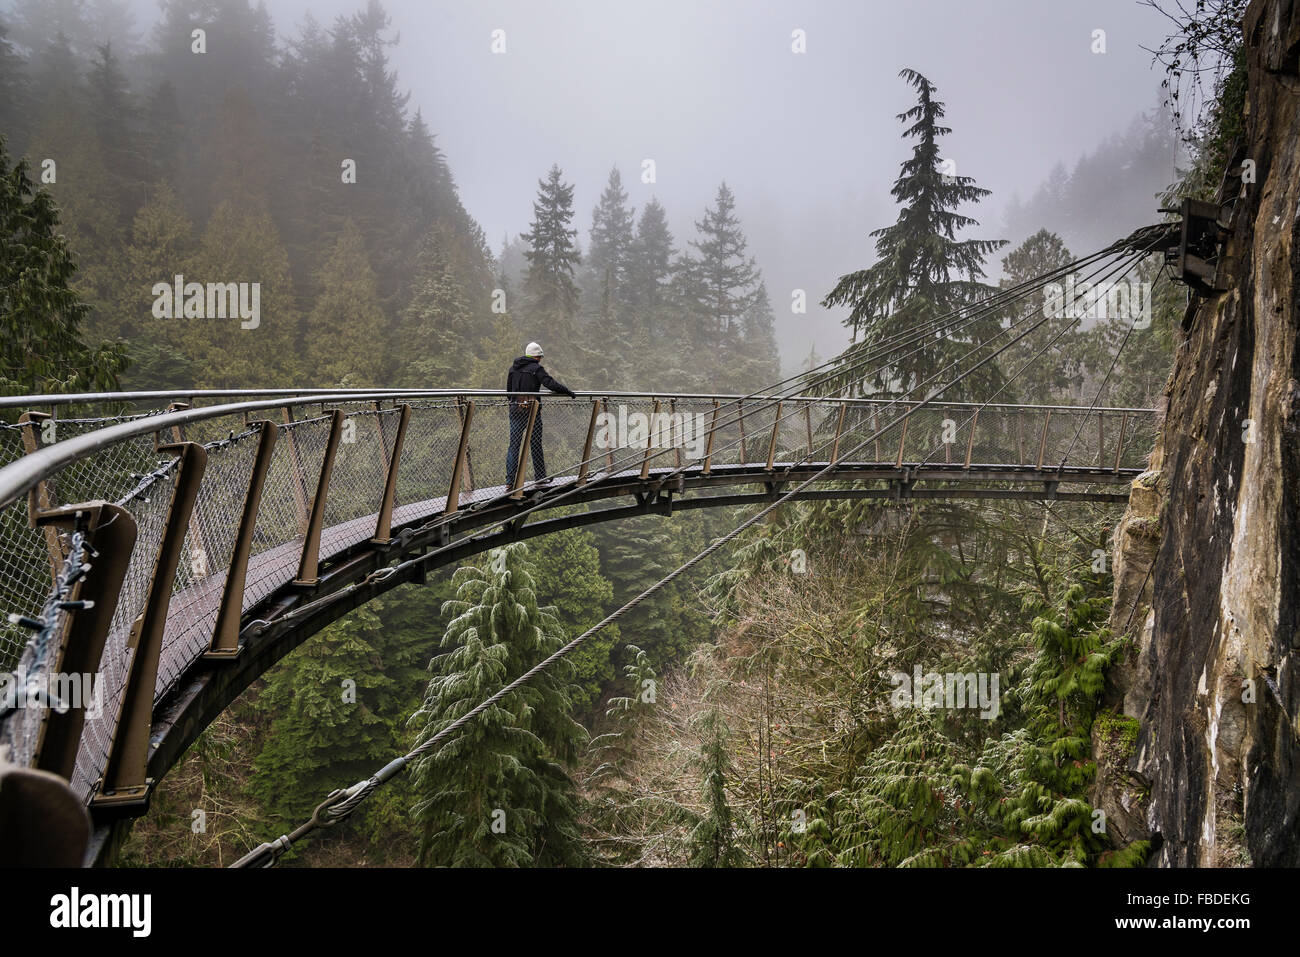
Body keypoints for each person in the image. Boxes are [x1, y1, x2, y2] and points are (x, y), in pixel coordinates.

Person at [505, 341, 576, 486]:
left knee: (514, 446)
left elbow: (509, 391)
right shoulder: (536, 368)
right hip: (532, 412)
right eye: (540, 357)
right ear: (537, 356)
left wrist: (515, 402)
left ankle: (510, 481)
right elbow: (550, 383)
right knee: (535, 444)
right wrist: (568, 391)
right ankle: (540, 476)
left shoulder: (513, 368)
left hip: (515, 409)